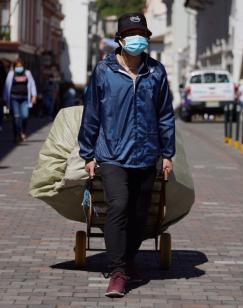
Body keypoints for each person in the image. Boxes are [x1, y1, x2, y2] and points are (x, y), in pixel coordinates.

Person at [78, 12, 175, 298]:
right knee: (119, 205)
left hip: (146, 155)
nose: (137, 38)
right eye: (131, 33)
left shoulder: (156, 72)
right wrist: (88, 154)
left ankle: (129, 259)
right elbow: (92, 113)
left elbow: (165, 115)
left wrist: (167, 153)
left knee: (140, 214)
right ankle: (117, 270)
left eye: (142, 34)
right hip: (111, 155)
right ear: (119, 39)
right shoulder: (104, 71)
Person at [3, 59, 37, 143]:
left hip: (25, 99)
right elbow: (7, 86)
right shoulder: (11, 74)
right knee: (16, 117)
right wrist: (5, 99)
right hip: (14, 98)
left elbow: (32, 84)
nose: (19, 68)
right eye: (17, 66)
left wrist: (34, 96)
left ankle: (23, 131)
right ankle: (17, 135)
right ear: (15, 67)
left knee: (25, 116)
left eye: (20, 66)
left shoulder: (27, 73)